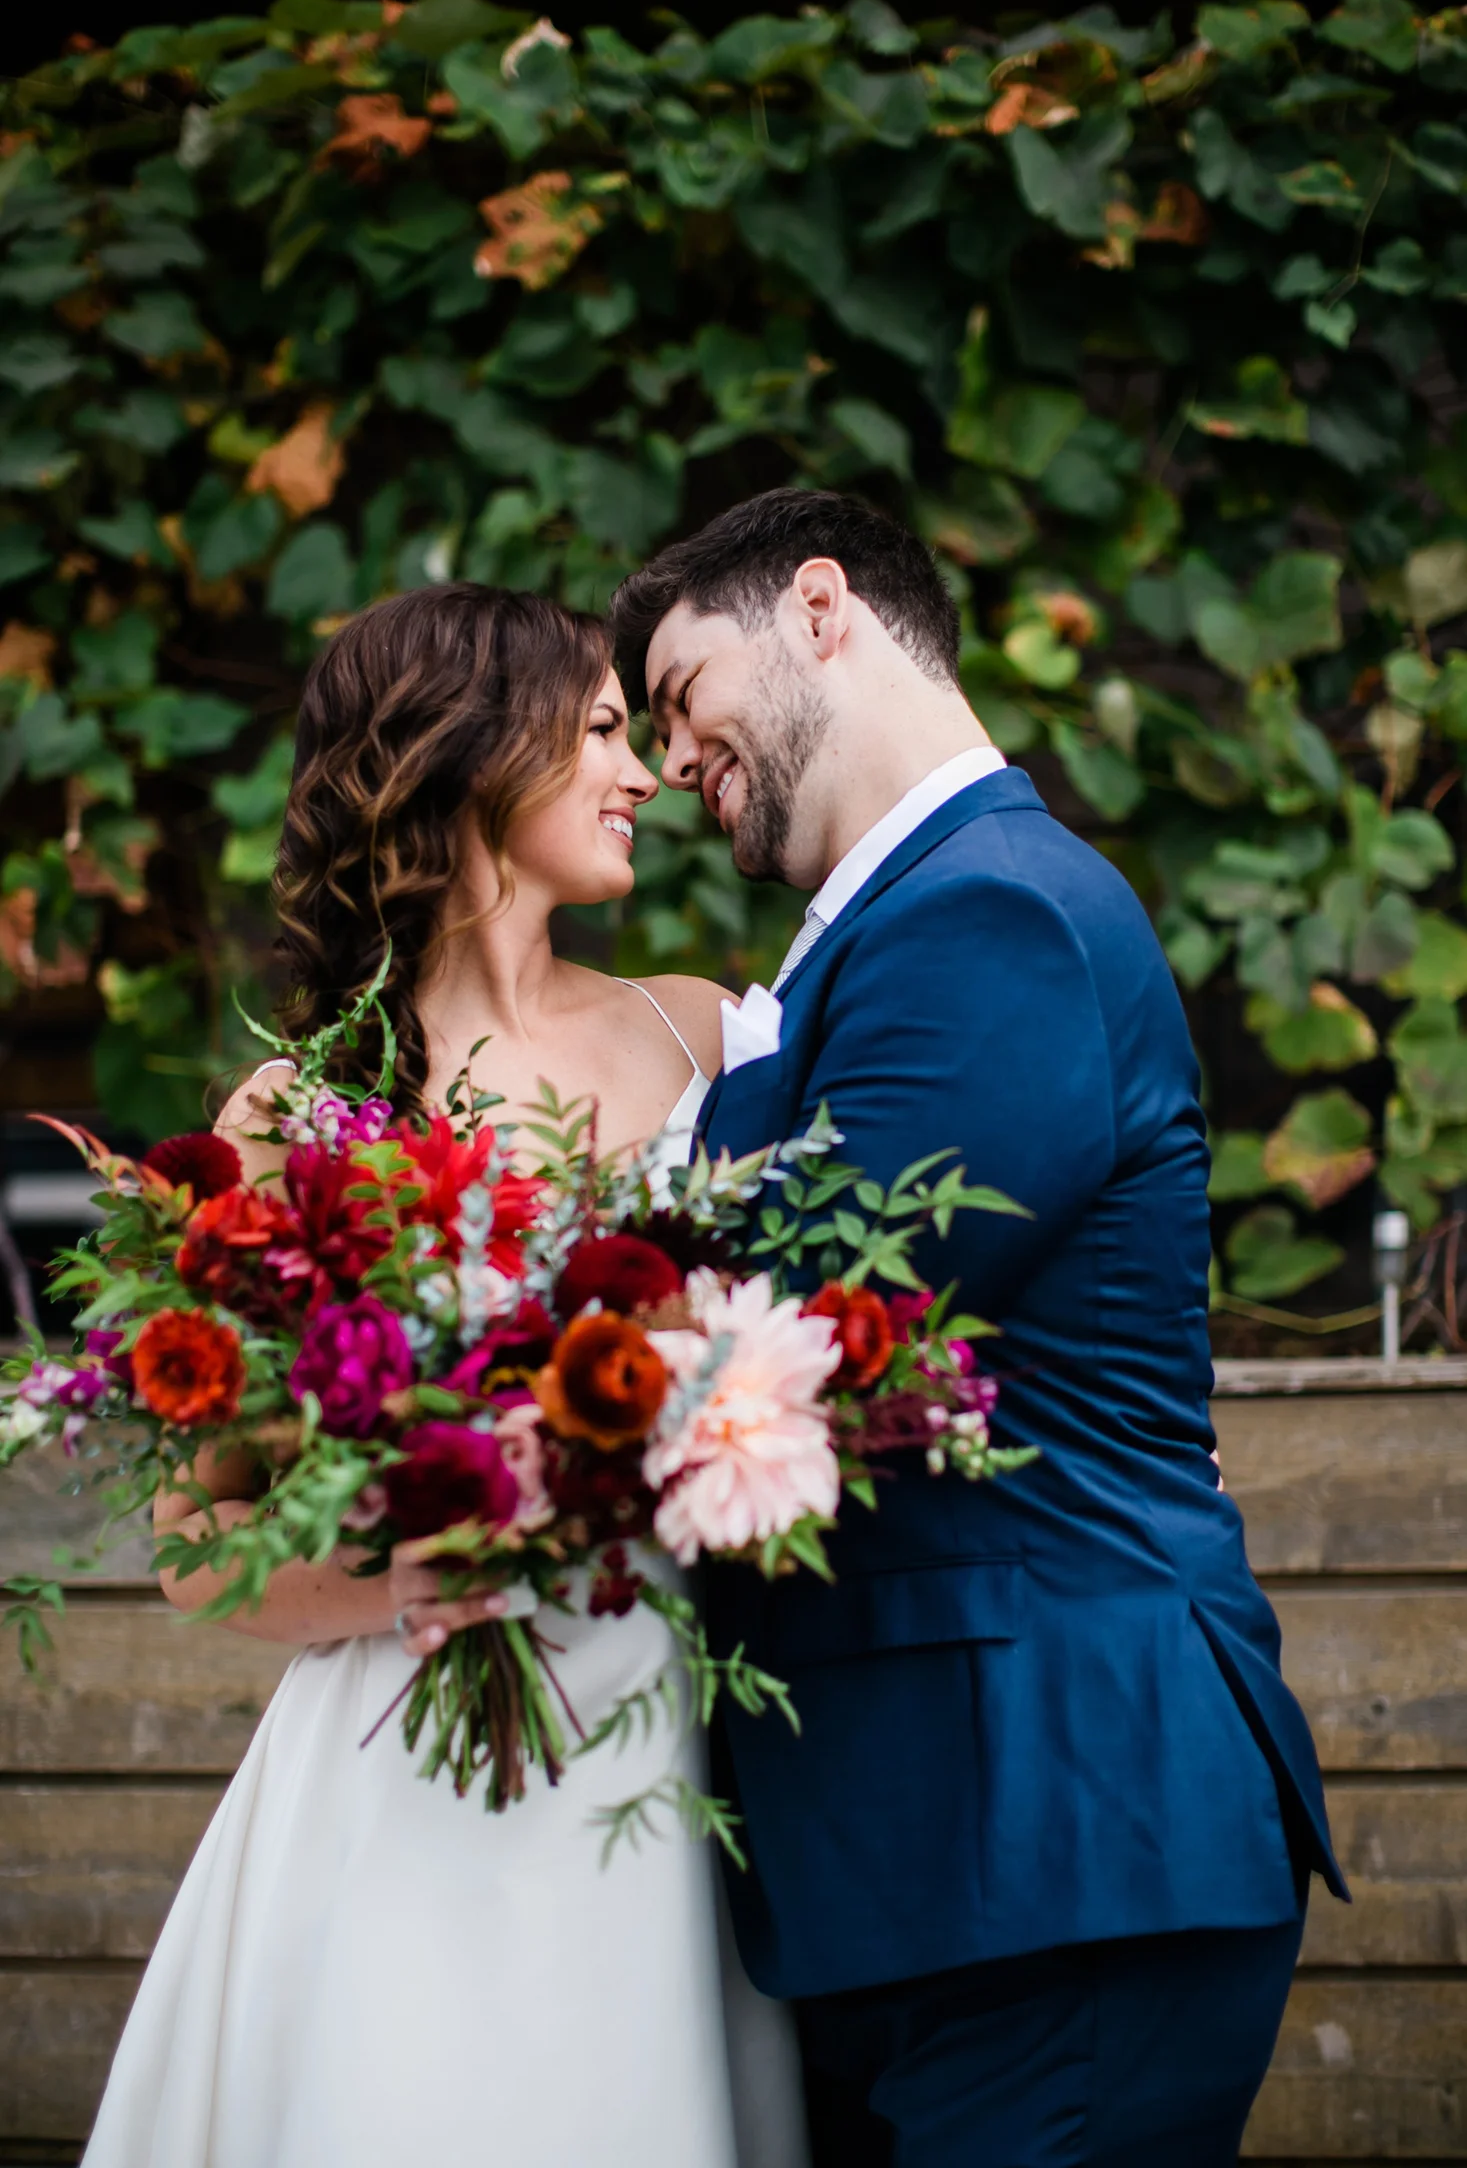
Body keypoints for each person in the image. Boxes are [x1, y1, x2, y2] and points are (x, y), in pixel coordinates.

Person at [608, 488, 1348, 2168]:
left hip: (1054, 1839)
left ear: (817, 608)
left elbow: (812, 1333)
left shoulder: (988, 911)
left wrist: (464, 1426)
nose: (665, 759)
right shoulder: (894, 927)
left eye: (676, 693)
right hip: (937, 1861)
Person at [81, 584, 807, 2168]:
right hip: (393, 1782)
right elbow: (203, 1552)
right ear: (478, 755)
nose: (648, 774)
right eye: (607, 731)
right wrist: (425, 1569)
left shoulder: (710, 1040)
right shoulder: (299, 1111)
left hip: (657, 1760)